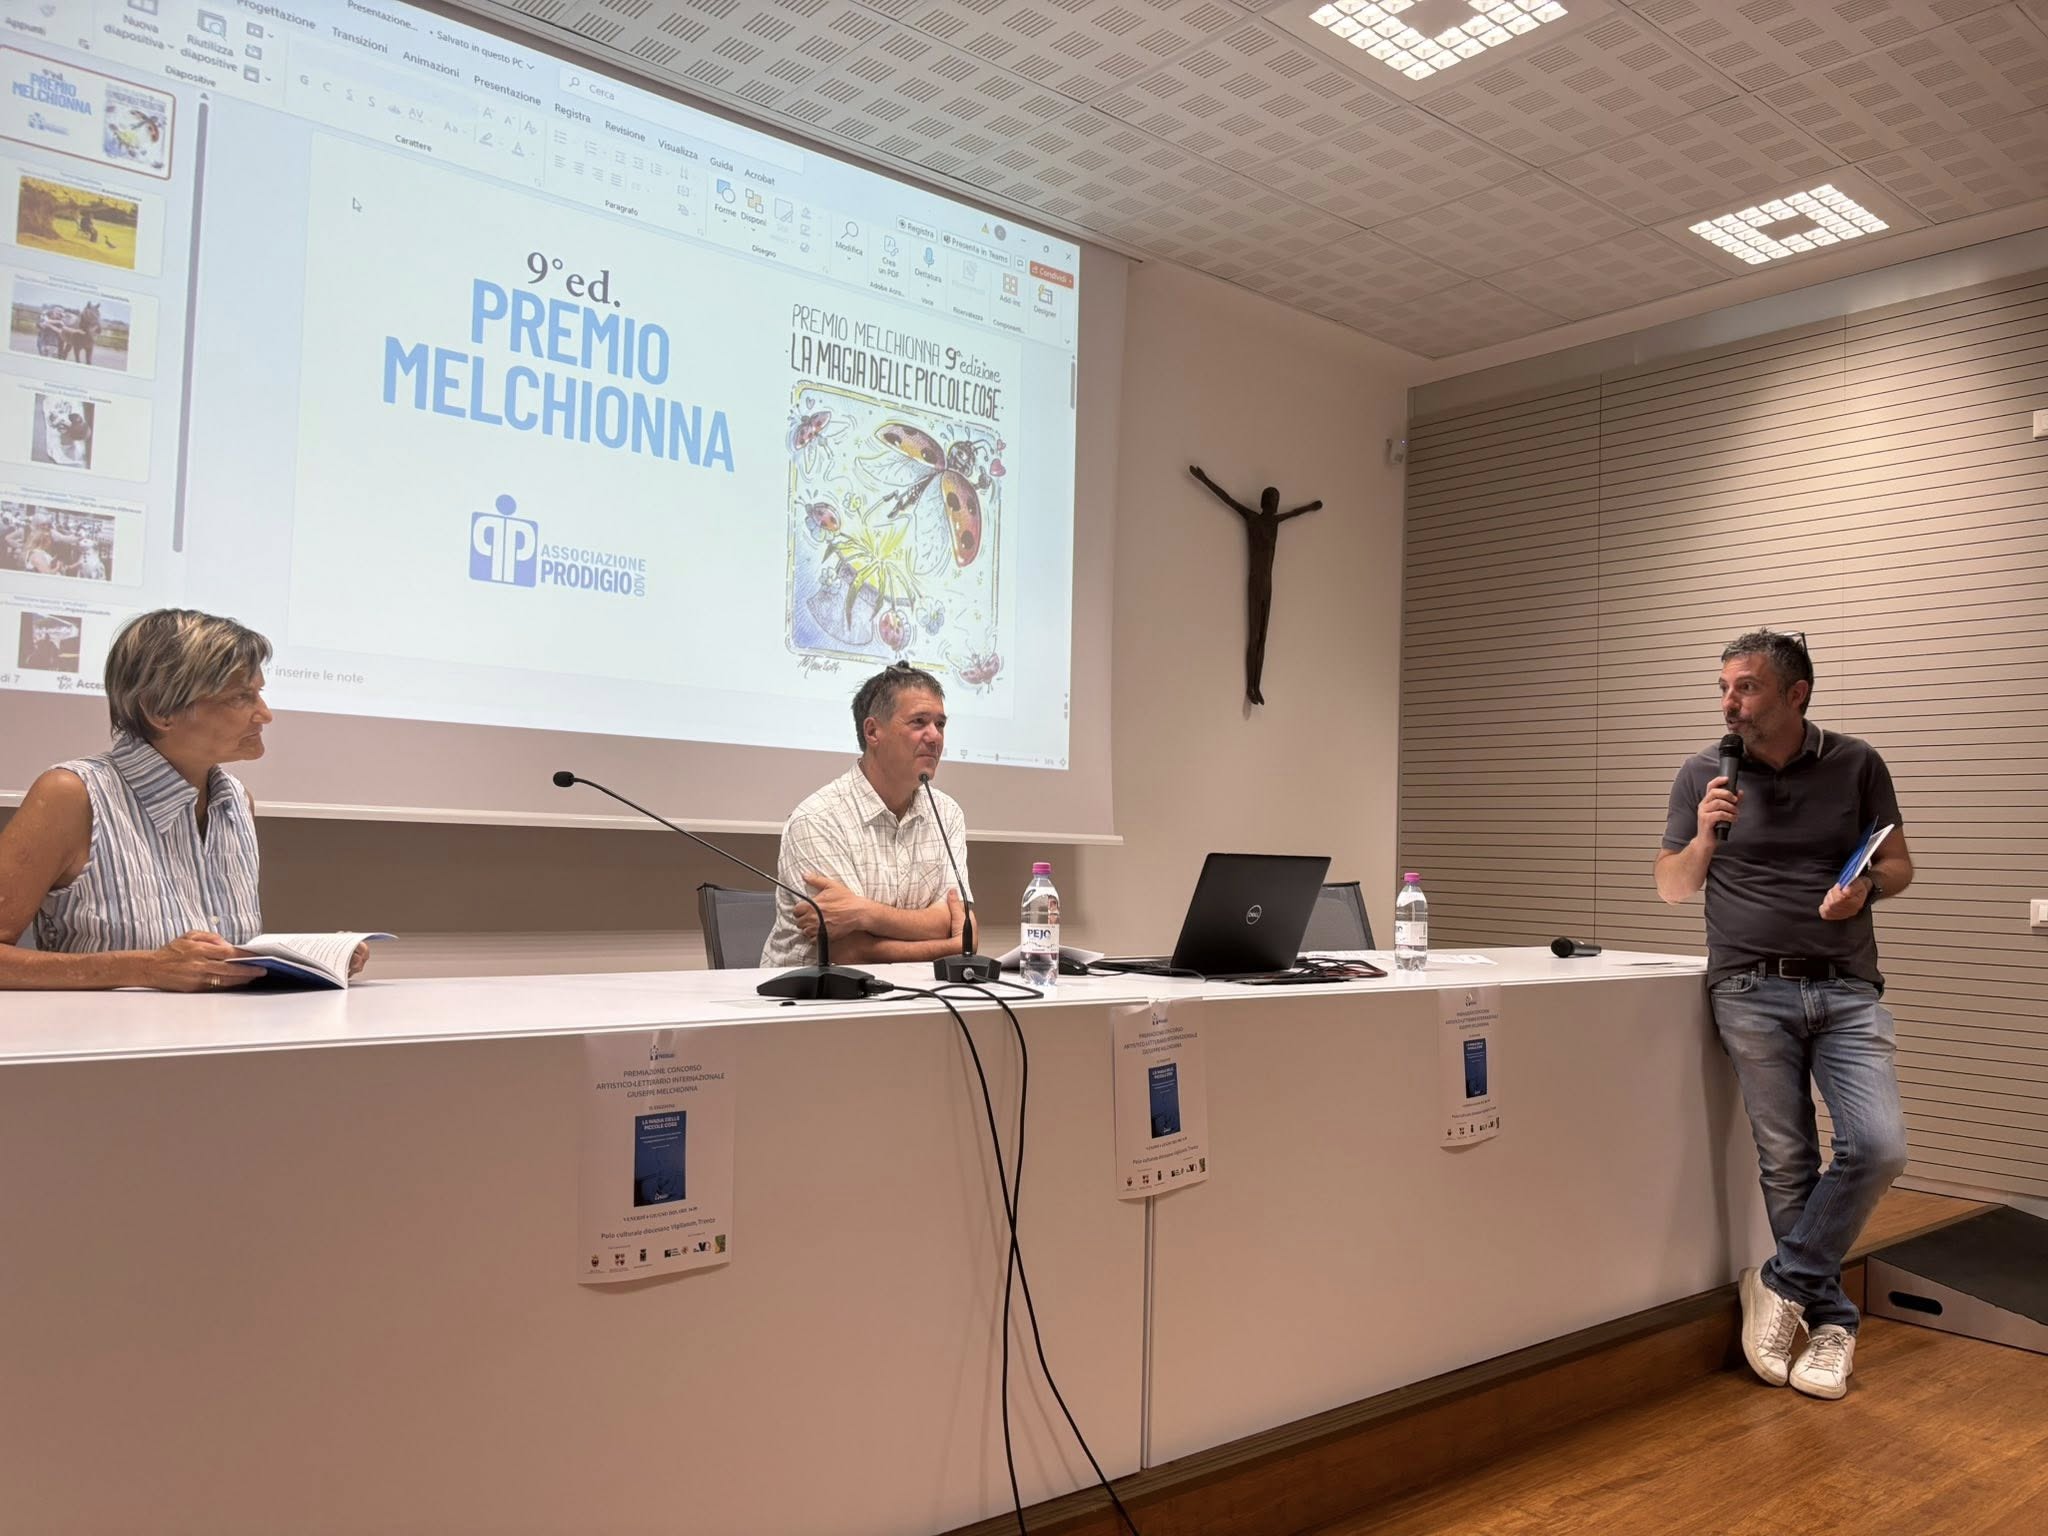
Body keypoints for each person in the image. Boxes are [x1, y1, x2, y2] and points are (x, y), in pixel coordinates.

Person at [1655, 629, 1913, 1401]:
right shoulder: (1703, 773)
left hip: (1846, 987)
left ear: (1795, 694)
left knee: (1877, 1146)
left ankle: (1781, 1283)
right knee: (1787, 1160)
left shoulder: (1857, 763)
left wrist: (1866, 889)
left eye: (1747, 687)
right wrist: (1705, 835)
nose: (1729, 703)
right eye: (1724, 687)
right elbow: (1672, 887)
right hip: (1748, 989)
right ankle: (1832, 1325)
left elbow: (1898, 864)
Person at [0, 608, 367, 990]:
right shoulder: (74, 795)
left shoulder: (237, 801)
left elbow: (212, 965)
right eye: (241, 697)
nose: (265, 714)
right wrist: (143, 969)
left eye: (259, 693)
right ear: (160, 710)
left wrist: (309, 960)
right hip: (101, 1030)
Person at [759, 662, 970, 967]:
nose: (935, 736)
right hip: (811, 993)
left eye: (940, 724)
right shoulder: (818, 819)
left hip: (913, 989)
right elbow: (850, 952)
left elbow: (960, 922)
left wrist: (864, 913)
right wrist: (951, 945)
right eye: (919, 722)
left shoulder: (947, 813)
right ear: (872, 731)